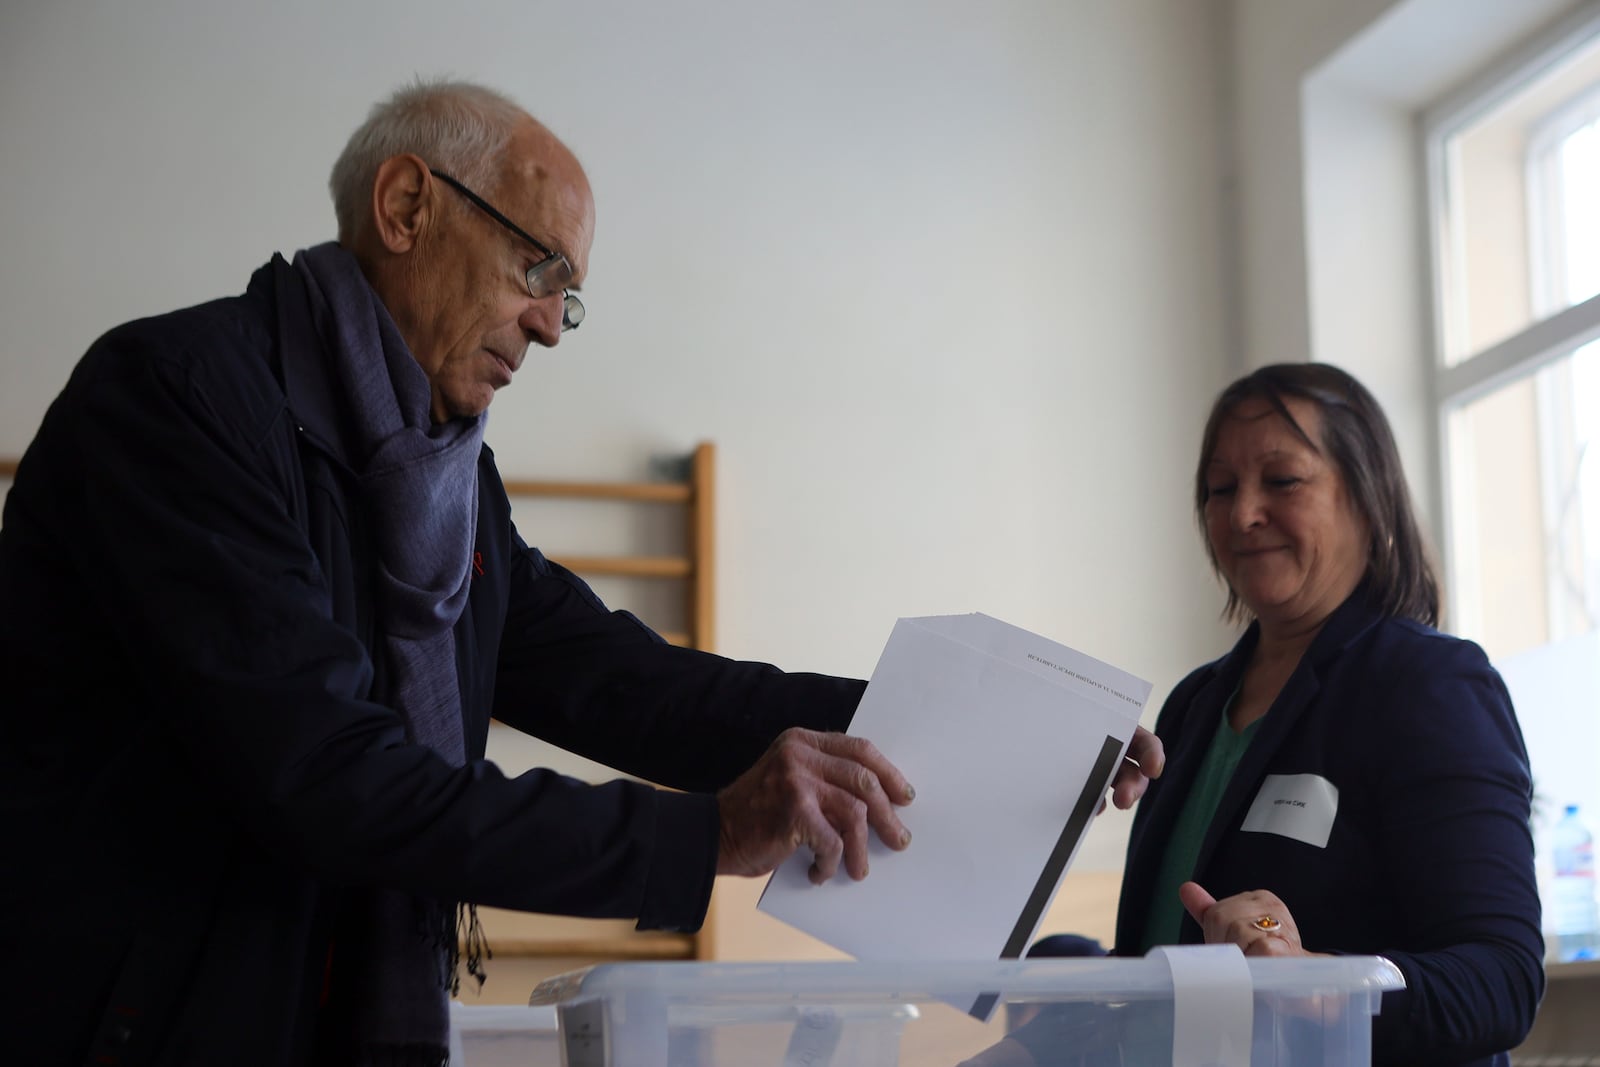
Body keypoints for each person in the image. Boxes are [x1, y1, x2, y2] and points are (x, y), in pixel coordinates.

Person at [0, 80, 1162, 1067]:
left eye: (570, 291)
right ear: (407, 205)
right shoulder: (176, 400)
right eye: (537, 264)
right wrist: (703, 834)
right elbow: (328, 776)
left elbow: (629, 684)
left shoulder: (445, 486)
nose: (552, 324)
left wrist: (991, 734)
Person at [976, 363, 1544, 1067]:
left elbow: (1501, 980)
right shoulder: (1191, 705)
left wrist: (1327, 982)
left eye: (1282, 481)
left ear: (1366, 498)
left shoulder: (1429, 684)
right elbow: (1175, 977)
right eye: (1221, 488)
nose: (1243, 512)